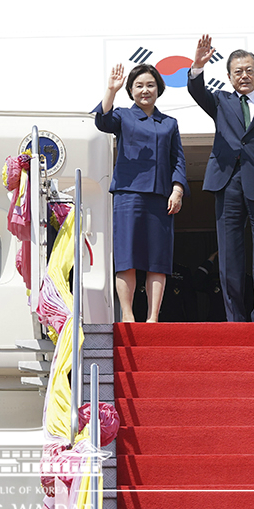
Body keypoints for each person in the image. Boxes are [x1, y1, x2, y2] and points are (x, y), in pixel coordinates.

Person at [187, 34, 254, 322]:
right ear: (229, 76)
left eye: (249, 70)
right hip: (228, 183)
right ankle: (235, 318)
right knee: (230, 255)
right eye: (238, 71)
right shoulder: (221, 101)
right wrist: (197, 65)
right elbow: (197, 90)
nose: (244, 76)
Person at [93, 63, 187, 322]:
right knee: (127, 256)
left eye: (150, 85)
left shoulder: (169, 123)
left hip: (160, 197)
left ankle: (153, 317)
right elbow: (102, 121)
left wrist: (177, 189)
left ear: (159, 88)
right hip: (128, 195)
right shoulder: (123, 116)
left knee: (158, 258)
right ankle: (127, 314)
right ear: (131, 90)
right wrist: (111, 90)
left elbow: (178, 159)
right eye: (139, 86)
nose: (145, 90)